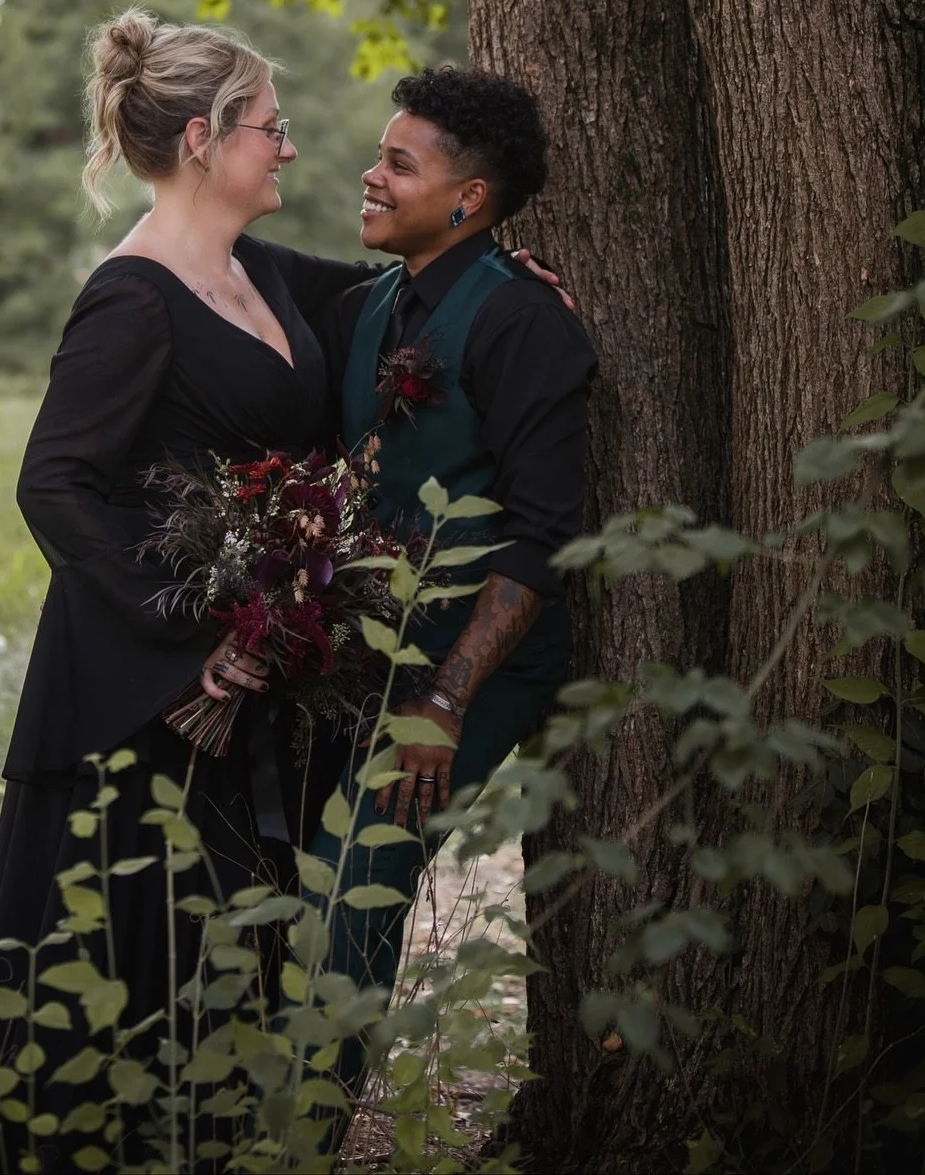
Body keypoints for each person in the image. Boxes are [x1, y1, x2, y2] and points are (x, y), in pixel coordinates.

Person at [0, 8, 338, 1171]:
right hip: (140, 701)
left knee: (223, 990)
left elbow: (399, 298)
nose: (289, 146)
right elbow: (54, 484)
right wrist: (190, 642)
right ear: (204, 140)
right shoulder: (130, 294)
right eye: (272, 127)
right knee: (120, 983)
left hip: (239, 689)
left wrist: (496, 262)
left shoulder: (263, 272)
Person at [307, 65, 597, 1087]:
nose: (370, 175)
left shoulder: (527, 321)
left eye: (398, 162)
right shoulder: (369, 303)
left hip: (477, 661)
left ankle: (297, 1142)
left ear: (468, 197)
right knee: (303, 887)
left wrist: (445, 695)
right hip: (377, 657)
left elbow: (543, 535)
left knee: (354, 891)